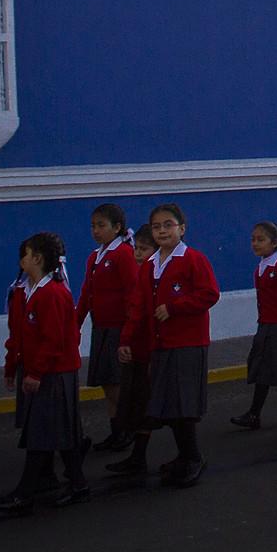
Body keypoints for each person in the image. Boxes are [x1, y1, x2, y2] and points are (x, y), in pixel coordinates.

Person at [117, 203, 218, 489]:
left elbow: (209, 294)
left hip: (187, 342)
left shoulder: (193, 259)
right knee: (168, 404)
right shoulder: (150, 265)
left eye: (168, 225)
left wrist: (175, 307)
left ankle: (194, 457)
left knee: (183, 404)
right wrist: (128, 339)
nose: (162, 231)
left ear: (181, 229)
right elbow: (139, 306)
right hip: (159, 345)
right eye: (157, 226)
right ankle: (184, 455)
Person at [0, 232, 88, 515]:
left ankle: (25, 493)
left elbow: (53, 339)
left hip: (54, 373)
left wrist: (36, 373)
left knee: (43, 431)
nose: (21, 260)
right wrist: (12, 367)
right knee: (55, 429)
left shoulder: (53, 294)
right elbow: (16, 334)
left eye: (26, 254)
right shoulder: (24, 292)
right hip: (37, 370)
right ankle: (76, 483)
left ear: (38, 259)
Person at [77, 203, 137, 449]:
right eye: (93, 226)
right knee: (106, 383)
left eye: (101, 225)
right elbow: (86, 293)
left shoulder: (123, 254)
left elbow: (132, 294)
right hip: (100, 327)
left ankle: (126, 429)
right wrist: (75, 324)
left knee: (117, 384)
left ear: (117, 227)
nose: (96, 231)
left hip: (118, 329)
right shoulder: (95, 257)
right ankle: (116, 430)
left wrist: (128, 335)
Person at [232, 222, 277, 430]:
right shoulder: (262, 267)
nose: (255, 243)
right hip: (267, 325)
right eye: (253, 239)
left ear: (275, 242)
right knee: (264, 368)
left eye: (260, 240)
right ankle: (254, 413)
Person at [102, 229, 159, 473]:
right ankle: (136, 454)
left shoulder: (153, 276)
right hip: (135, 346)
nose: (137, 253)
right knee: (136, 401)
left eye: (144, 249)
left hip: (149, 348)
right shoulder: (141, 275)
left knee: (146, 403)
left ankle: (140, 455)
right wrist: (125, 340)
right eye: (136, 248)